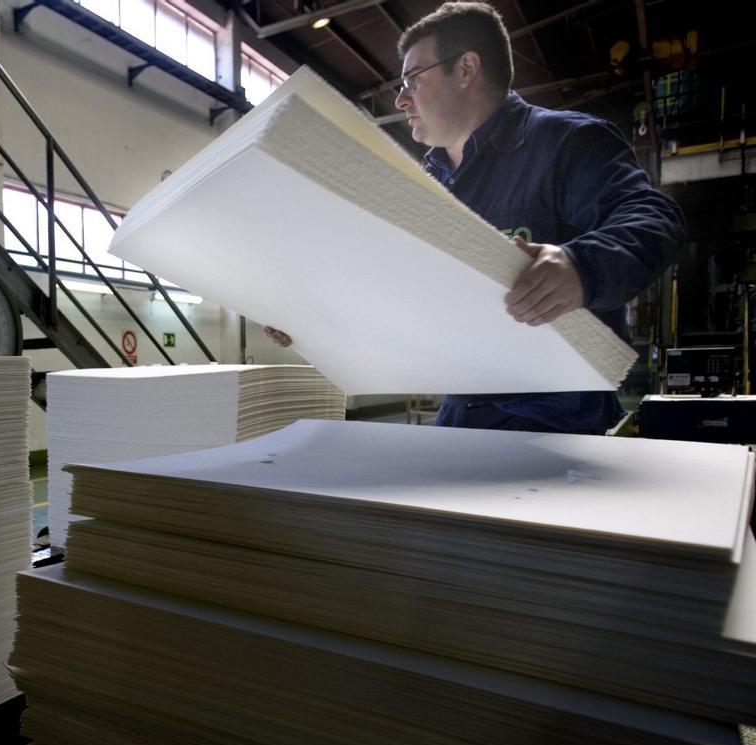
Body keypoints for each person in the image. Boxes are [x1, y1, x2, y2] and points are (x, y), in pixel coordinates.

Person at [268, 1, 686, 434]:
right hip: (460, 417)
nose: (400, 98)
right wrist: (310, 318)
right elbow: (389, 290)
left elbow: (655, 216)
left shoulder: (567, 143)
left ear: (466, 69)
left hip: (560, 426)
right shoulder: (421, 186)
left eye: (412, 78)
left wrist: (580, 266)